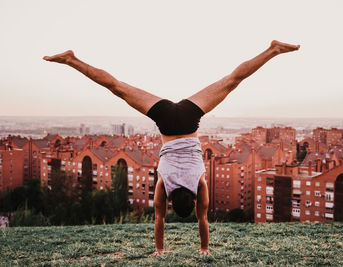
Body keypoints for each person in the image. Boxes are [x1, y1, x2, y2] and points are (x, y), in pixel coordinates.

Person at [43, 40, 300, 256]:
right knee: (118, 88)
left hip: (189, 116)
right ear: (170, 200)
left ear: (193, 198)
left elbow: (203, 220)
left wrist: (205, 249)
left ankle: (272, 50)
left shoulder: (199, 184)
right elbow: (159, 220)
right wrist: (159, 250)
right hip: (166, 118)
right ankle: (71, 60)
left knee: (232, 80)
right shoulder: (164, 185)